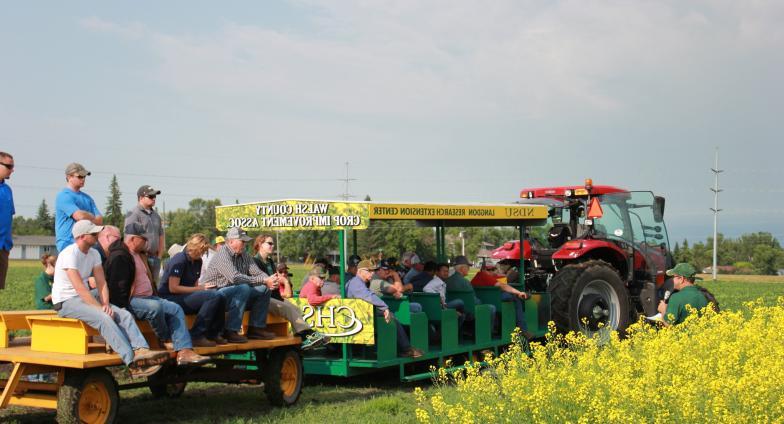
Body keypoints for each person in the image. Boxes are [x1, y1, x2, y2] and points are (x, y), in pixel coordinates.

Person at [51, 220, 166, 378]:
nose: (97, 235)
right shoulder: (69, 254)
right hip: (67, 301)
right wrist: (100, 309)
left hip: (86, 295)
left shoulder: (94, 253)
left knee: (124, 314)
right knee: (104, 318)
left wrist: (105, 303)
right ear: (82, 236)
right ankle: (132, 363)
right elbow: (80, 289)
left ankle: (142, 350)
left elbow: (101, 282)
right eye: (93, 234)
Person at [104, 222, 209, 366]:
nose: (147, 242)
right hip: (131, 300)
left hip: (149, 297)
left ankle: (184, 351)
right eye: (144, 239)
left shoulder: (140, 255)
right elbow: (116, 287)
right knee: (155, 307)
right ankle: (165, 339)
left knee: (175, 308)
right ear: (133, 239)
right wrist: (121, 308)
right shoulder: (120, 256)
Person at [201, 227, 276, 343]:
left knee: (263, 288)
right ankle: (231, 331)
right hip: (215, 295)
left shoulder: (244, 254)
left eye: (245, 242)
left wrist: (268, 279)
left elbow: (256, 271)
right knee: (243, 288)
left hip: (232, 293)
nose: (245, 244)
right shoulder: (222, 254)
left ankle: (256, 328)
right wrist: (264, 280)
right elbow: (234, 278)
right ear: (231, 241)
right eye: (242, 241)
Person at [346, 260, 423, 358]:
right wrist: (384, 308)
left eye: (373, 271)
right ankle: (406, 349)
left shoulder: (358, 282)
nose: (372, 273)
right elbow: (368, 296)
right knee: (392, 318)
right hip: (358, 318)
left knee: (391, 316)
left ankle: (401, 348)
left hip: (361, 315)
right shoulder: (356, 282)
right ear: (360, 271)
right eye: (369, 271)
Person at [159, 234, 226, 347]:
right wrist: (200, 288)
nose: (203, 253)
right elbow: (173, 288)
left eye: (204, 251)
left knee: (220, 295)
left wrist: (204, 288)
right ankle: (197, 335)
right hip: (170, 297)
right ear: (194, 248)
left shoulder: (198, 261)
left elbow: (194, 285)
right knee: (212, 296)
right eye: (201, 250)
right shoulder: (179, 260)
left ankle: (214, 333)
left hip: (184, 296)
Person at [471, 262, 531, 339]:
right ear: (483, 269)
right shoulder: (484, 275)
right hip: (493, 301)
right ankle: (523, 329)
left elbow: (501, 280)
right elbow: (503, 286)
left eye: (493, 269)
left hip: (484, 300)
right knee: (516, 298)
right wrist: (518, 292)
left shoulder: (478, 277)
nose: (491, 271)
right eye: (488, 269)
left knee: (512, 296)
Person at [55, 163, 102, 252]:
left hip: (86, 243)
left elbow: (99, 221)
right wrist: (91, 216)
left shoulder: (88, 198)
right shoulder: (63, 196)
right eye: (80, 176)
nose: (83, 179)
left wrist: (86, 216)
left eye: (84, 177)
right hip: (67, 243)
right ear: (69, 177)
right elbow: (79, 216)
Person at [125, 185, 165, 284]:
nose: (154, 199)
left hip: (154, 258)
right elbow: (130, 238)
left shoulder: (156, 215)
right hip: (141, 257)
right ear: (141, 198)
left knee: (154, 286)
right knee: (142, 286)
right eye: (150, 196)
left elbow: (161, 235)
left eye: (154, 196)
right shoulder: (134, 213)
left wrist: (159, 256)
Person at [253, 234, 293, 300]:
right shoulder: (254, 261)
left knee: (295, 308)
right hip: (263, 299)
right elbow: (256, 285)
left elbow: (275, 281)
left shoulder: (270, 261)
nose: (273, 246)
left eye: (273, 244)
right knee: (290, 309)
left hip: (275, 296)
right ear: (260, 244)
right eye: (270, 243)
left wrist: (276, 283)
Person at [0, 151, 15, 289]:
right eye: (9, 166)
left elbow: (9, 217)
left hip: (3, 246)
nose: (12, 169)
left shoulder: (7, 190)